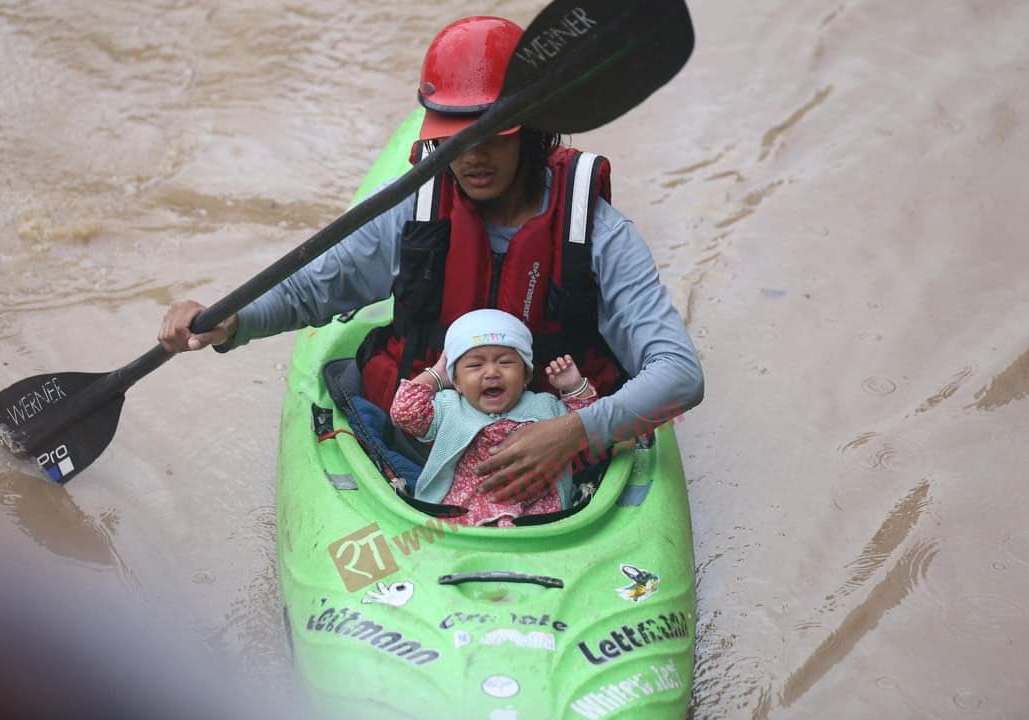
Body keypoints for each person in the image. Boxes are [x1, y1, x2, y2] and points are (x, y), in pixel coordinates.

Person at [158, 16, 704, 504]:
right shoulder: (412, 213)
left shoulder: (600, 235)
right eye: (453, 135)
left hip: (562, 456)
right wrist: (233, 321)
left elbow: (680, 376)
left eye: (492, 135)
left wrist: (575, 432)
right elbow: (310, 290)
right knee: (357, 390)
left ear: (535, 129)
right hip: (422, 441)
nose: (471, 156)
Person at [390, 309, 596, 526]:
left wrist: (575, 387)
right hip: (464, 512)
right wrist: (437, 375)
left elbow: (587, 427)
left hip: (537, 514)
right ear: (457, 382)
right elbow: (404, 413)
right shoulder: (449, 406)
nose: (491, 373)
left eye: (505, 362)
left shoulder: (545, 405)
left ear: (526, 375)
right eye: (475, 365)